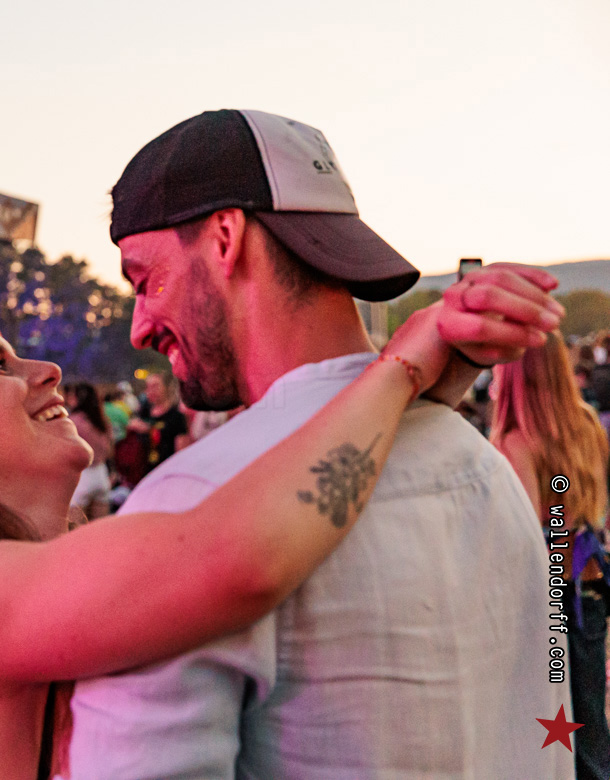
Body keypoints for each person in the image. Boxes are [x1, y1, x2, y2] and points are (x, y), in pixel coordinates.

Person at [0, 272, 553, 780]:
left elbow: (270, 503)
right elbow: (241, 554)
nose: (47, 372)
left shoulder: (63, 558)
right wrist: (401, 368)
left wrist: (433, 395)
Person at [64, 109, 571, 779]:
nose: (139, 326)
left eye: (145, 279)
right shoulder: (485, 466)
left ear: (225, 238)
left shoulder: (192, 504)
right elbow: (548, 730)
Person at [490, 329, 610, 780]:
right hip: (588, 588)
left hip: (544, 601)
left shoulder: (515, 443)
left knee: (542, 730)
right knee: (590, 725)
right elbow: (586, 510)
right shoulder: (587, 424)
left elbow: (521, 538)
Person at [65, 382, 113, 520]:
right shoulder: (103, 422)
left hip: (82, 477)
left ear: (78, 398)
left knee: (75, 527)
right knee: (100, 526)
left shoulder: (73, 421)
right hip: (102, 475)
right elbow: (109, 451)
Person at [127, 372, 189, 473]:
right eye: (148, 387)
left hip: (167, 470)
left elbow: (182, 451)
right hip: (143, 472)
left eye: (155, 386)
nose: (151, 391)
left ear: (167, 387)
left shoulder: (176, 416)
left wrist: (149, 430)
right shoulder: (143, 413)